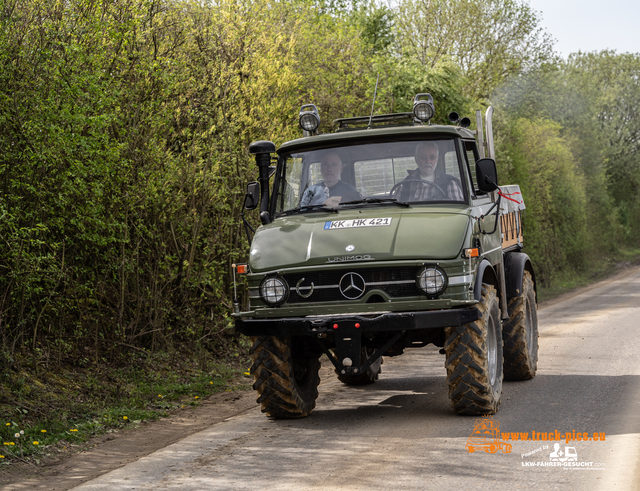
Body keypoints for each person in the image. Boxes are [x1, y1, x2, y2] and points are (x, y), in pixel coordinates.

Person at [396, 142, 464, 202]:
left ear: (437, 159)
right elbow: (394, 209)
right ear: (416, 159)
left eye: (432, 157)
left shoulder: (450, 183)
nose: (428, 161)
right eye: (423, 157)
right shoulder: (405, 184)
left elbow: (459, 212)